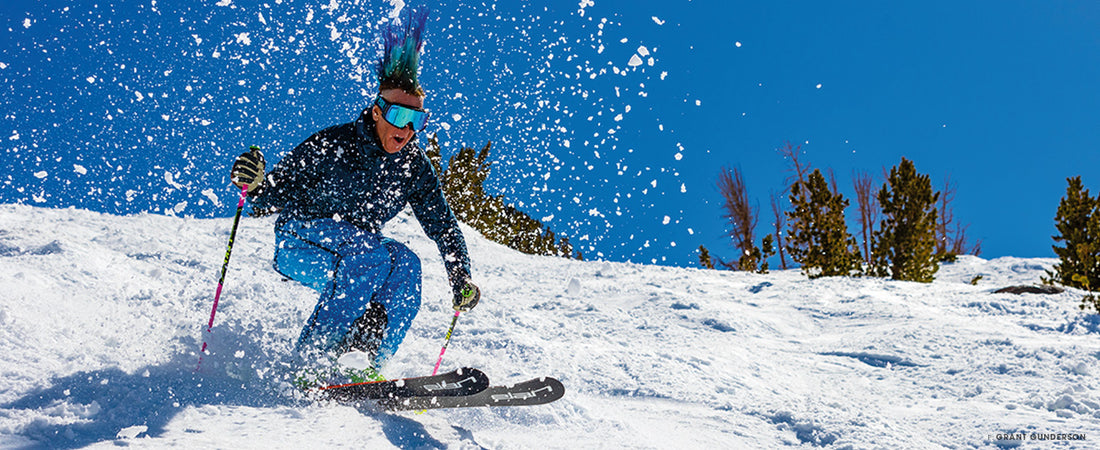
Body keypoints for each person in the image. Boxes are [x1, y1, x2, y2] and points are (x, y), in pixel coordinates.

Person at [228, 7, 479, 383]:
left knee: (406, 265)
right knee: (370, 257)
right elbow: (268, 196)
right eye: (398, 116)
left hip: (358, 249)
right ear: (377, 112)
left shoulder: (414, 166)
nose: (407, 130)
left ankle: (365, 363)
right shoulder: (334, 144)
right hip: (301, 238)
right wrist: (254, 182)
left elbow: (442, 226)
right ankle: (312, 362)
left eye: (417, 121)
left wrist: (460, 277)